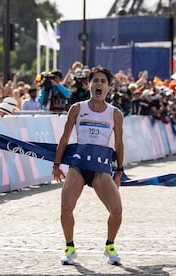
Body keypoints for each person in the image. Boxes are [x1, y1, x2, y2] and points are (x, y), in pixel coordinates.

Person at [52, 66, 124, 266]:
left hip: (101, 170)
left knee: (117, 210)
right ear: (89, 85)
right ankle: (69, 247)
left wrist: (120, 171)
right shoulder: (77, 108)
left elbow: (118, 144)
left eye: (103, 81)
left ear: (108, 88)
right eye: (96, 81)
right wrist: (57, 164)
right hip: (78, 168)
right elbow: (64, 138)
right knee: (66, 207)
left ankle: (110, 246)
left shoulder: (115, 114)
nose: (99, 84)